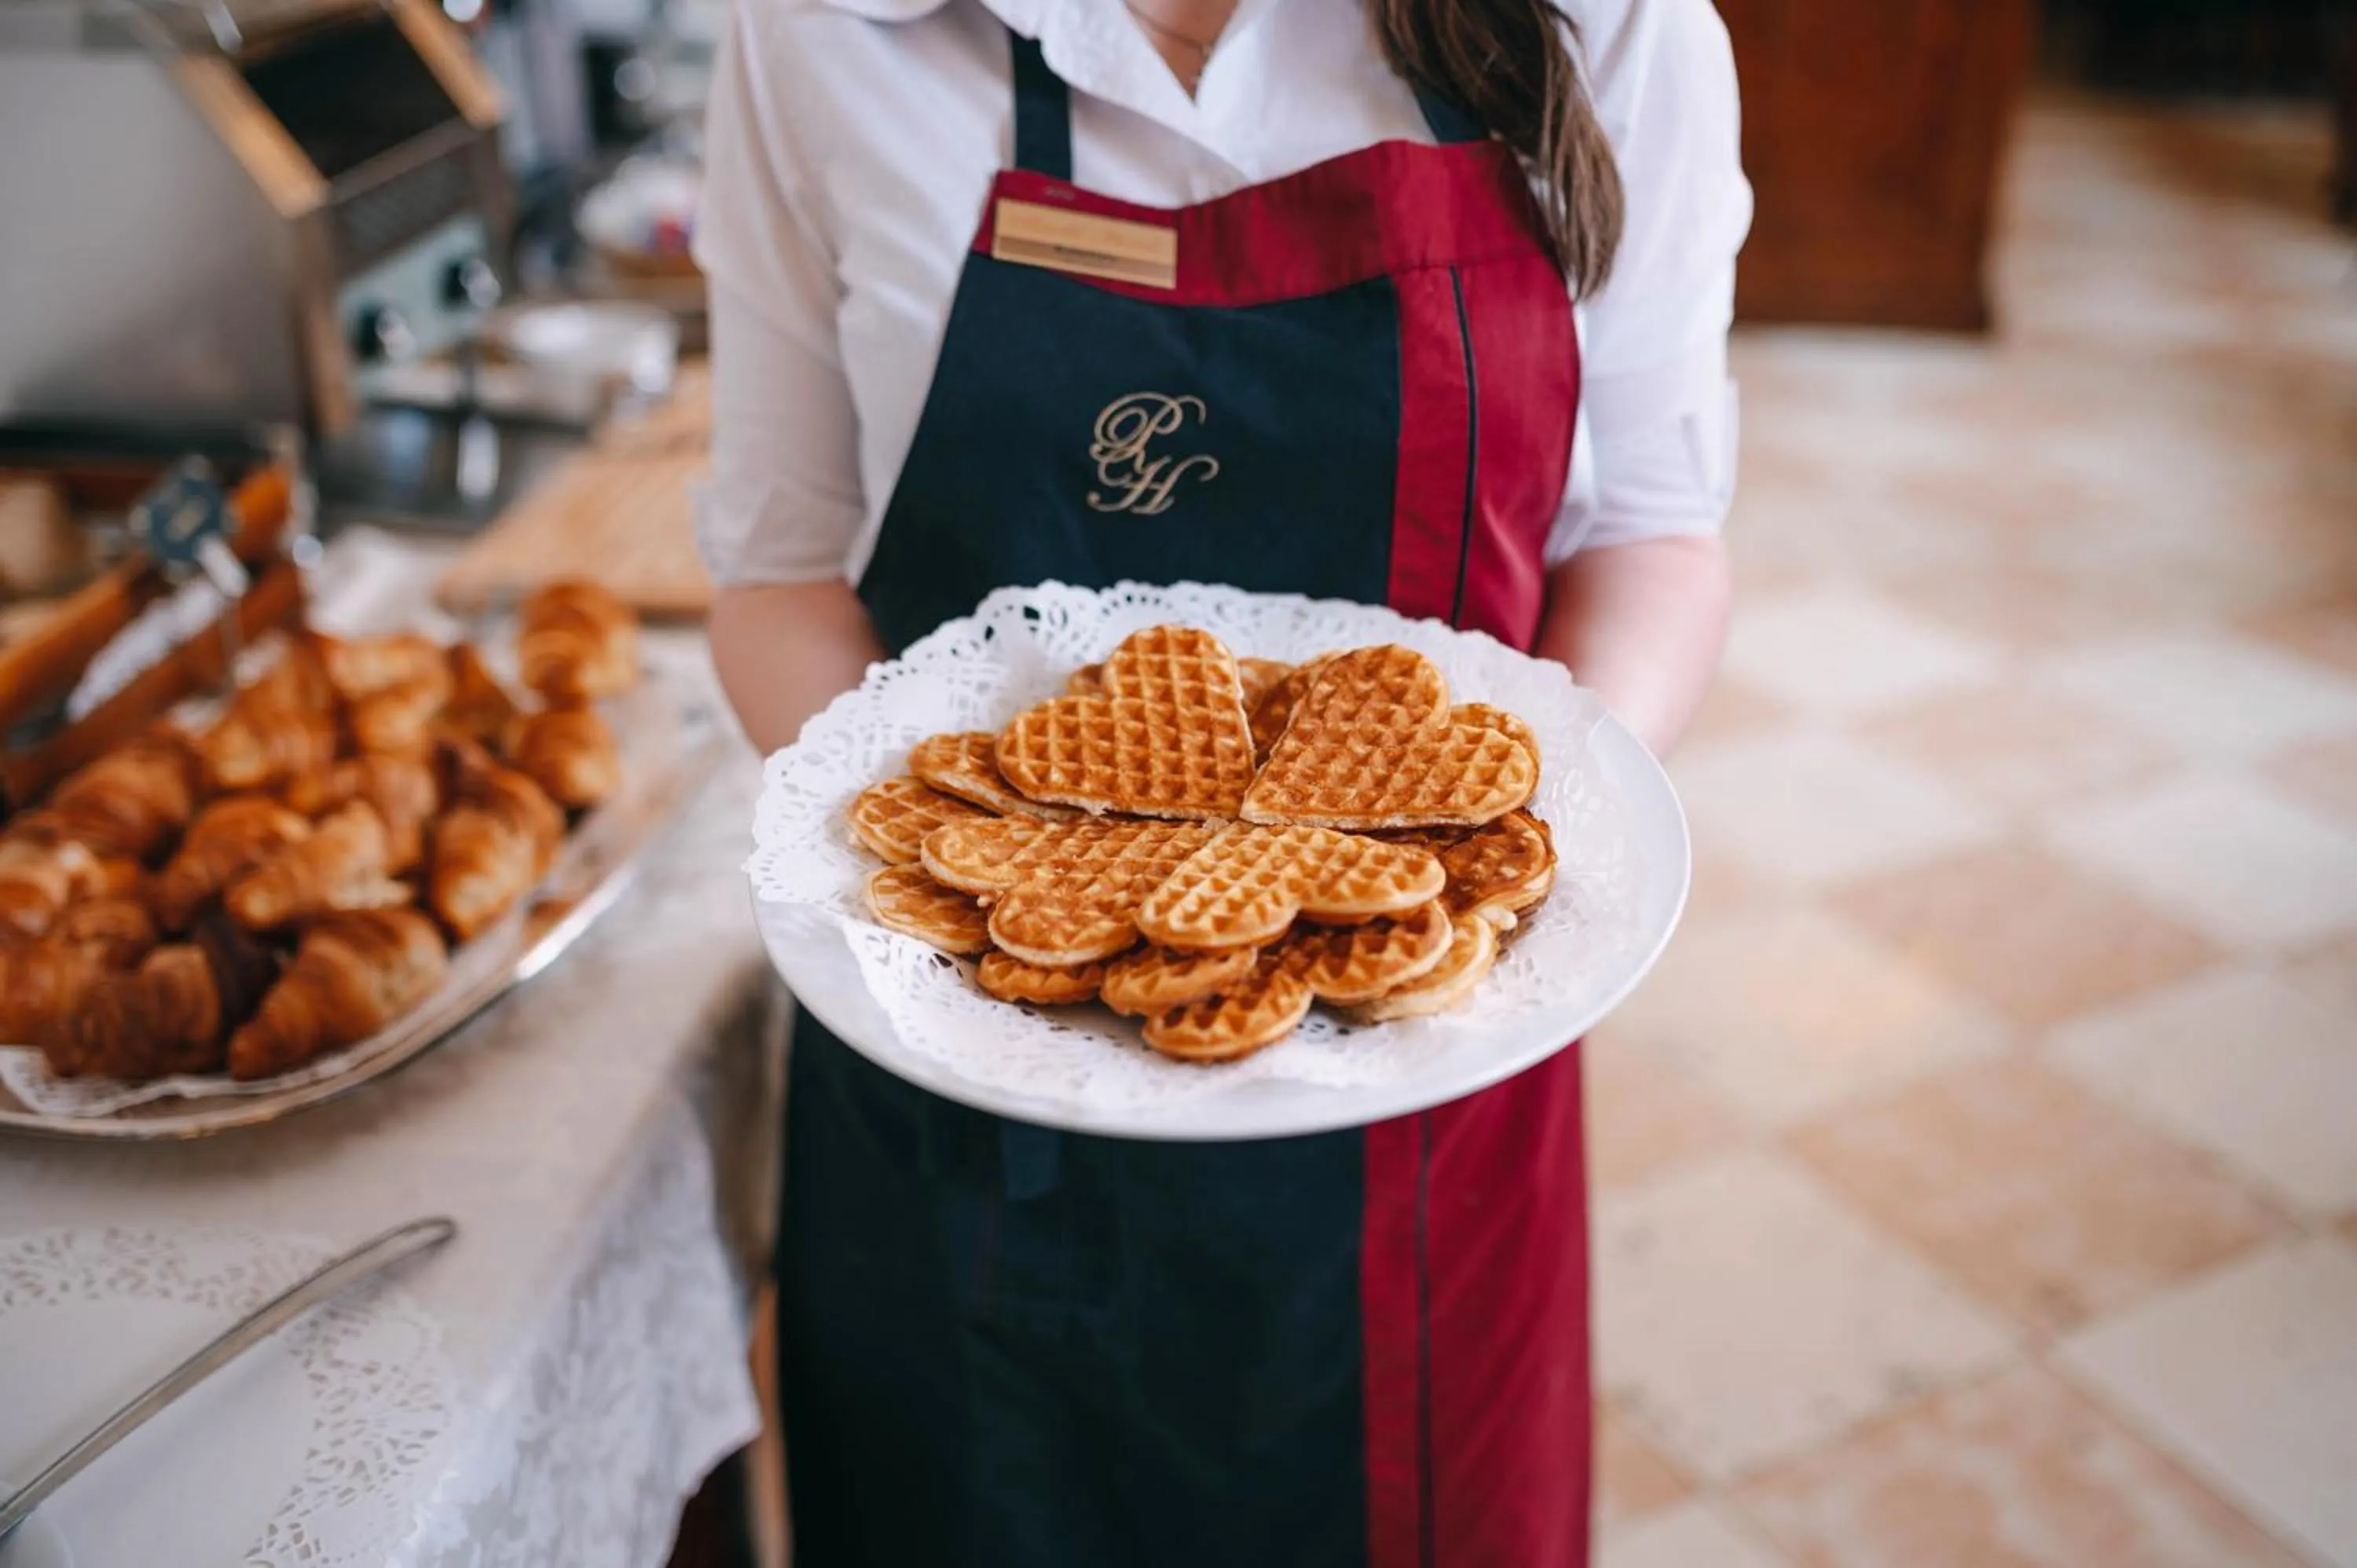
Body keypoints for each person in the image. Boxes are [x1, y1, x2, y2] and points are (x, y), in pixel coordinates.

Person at [695, 0, 1748, 1560]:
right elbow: (779, 573)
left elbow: (1654, 531)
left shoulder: (1612, 23)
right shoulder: (826, 31)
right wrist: (951, 886)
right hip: (957, 1107)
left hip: (1429, 1118)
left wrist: (1505, 849)